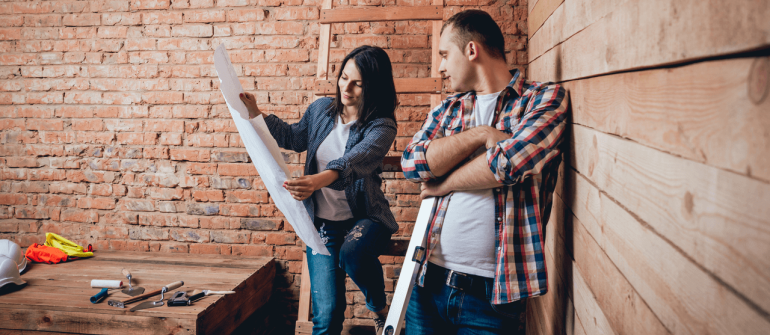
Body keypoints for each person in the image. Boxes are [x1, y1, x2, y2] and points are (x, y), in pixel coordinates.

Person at [400, 10, 568, 334]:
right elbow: (412, 163)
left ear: (471, 50)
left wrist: (444, 184)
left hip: (492, 299)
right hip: (427, 284)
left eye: (445, 55)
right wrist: (480, 134)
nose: (441, 67)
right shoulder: (447, 109)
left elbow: (508, 163)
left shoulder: (543, 100)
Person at [239, 45, 399, 335]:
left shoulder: (381, 126)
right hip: (323, 224)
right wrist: (256, 114)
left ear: (373, 87)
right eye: (344, 77)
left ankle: (378, 307)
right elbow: (293, 137)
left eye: (357, 83)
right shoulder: (320, 110)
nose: (346, 87)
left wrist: (316, 180)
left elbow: (354, 162)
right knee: (327, 317)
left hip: (365, 217)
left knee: (352, 253)